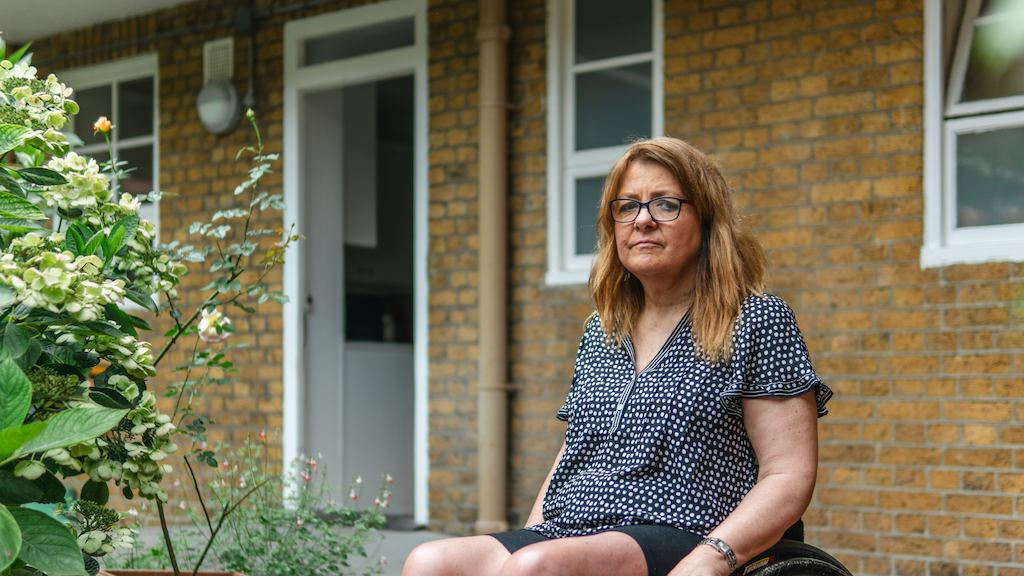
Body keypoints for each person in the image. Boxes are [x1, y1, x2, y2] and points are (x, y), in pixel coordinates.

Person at [402, 137, 832, 576]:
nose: (642, 220)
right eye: (626, 206)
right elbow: (575, 450)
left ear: (706, 219)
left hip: (689, 525)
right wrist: (535, 529)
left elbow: (788, 473)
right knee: (430, 561)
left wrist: (711, 557)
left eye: (665, 204)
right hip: (575, 526)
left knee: (536, 566)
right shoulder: (603, 329)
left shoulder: (755, 319)